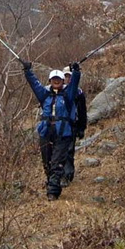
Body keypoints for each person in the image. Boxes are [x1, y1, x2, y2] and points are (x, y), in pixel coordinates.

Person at [22, 61, 81, 201]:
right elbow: (34, 84)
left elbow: (74, 83)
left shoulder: (68, 95)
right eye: (53, 79)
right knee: (47, 162)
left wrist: (76, 72)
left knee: (57, 162)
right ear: (49, 81)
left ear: (63, 81)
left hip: (63, 134)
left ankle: (53, 192)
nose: (56, 81)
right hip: (46, 132)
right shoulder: (44, 95)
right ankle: (51, 183)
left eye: (59, 79)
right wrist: (27, 71)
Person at [61, 66, 87, 186]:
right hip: (58, 126)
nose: (68, 79)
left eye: (70, 76)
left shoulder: (78, 93)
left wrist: (82, 128)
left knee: (68, 151)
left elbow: (82, 111)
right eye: (66, 76)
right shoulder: (57, 91)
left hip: (72, 125)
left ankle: (67, 175)